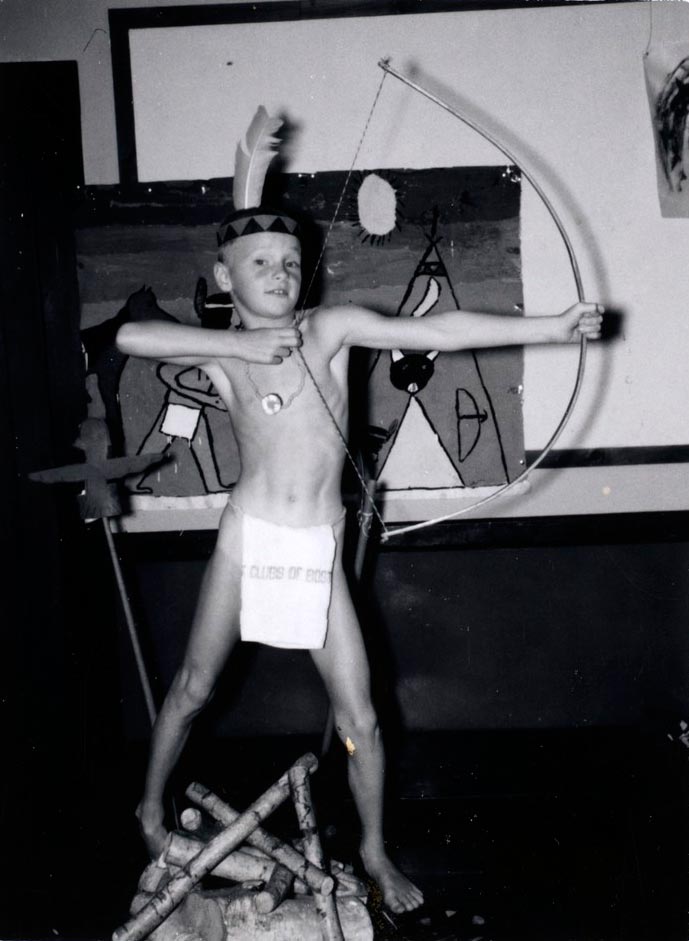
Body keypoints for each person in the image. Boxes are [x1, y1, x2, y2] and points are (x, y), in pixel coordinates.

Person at [116, 205, 603, 914]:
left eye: (290, 260)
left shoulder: (328, 327)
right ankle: (149, 811)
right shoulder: (223, 350)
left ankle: (373, 847)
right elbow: (132, 335)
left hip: (315, 543)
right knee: (192, 688)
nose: (280, 272)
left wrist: (551, 326)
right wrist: (248, 350)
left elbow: (435, 329)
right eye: (259, 262)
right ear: (225, 276)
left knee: (361, 718)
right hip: (247, 534)